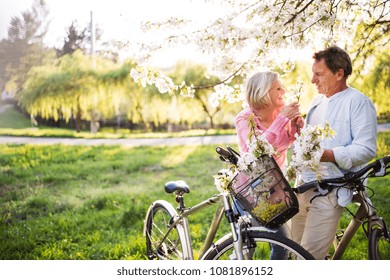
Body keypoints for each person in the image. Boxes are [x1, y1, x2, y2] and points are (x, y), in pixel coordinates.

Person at [290, 46, 377, 259]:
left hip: (331, 189)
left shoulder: (358, 102)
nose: (312, 80)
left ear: (339, 74)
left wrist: (329, 155)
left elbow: (366, 148)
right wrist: (301, 129)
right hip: (303, 186)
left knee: (308, 257)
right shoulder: (317, 102)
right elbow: (313, 141)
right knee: (291, 250)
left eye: (319, 74)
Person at [235, 71, 304, 259]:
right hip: (250, 189)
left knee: (282, 242)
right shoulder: (245, 119)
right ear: (264, 92)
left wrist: (297, 129)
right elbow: (257, 152)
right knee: (246, 246)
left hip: (276, 187)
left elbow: (286, 143)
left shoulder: (280, 114)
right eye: (278, 88)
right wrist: (282, 120)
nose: (284, 91)